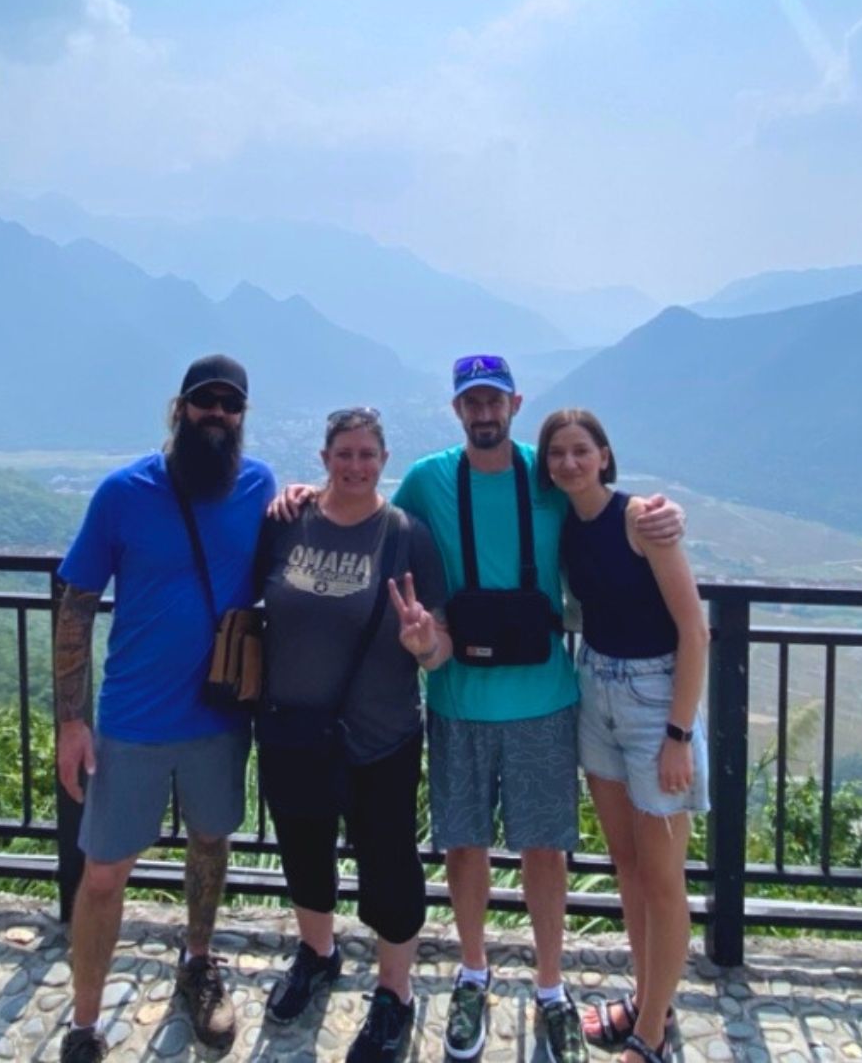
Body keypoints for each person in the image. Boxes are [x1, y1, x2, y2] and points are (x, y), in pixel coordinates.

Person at [280, 354, 685, 1063]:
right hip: (458, 695)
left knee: (544, 850)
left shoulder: (550, 472)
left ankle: (551, 985)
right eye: (473, 402)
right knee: (463, 844)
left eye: (495, 400)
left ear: (515, 403)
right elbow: (363, 500)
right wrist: (301, 493)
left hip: (545, 697)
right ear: (458, 410)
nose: (485, 413)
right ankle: (474, 969)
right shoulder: (433, 478)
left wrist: (660, 511)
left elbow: (602, 500)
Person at [53, 355, 276, 1063]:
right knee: (103, 873)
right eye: (205, 403)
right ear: (179, 409)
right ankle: (85, 1022)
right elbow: (75, 606)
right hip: (134, 718)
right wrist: (70, 720)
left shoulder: (260, 485)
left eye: (230, 406)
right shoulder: (124, 492)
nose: (217, 415)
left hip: (219, 712)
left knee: (211, 841)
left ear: (241, 416)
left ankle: (198, 962)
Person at [257, 406, 450, 1062]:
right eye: (345, 453)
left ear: (383, 461)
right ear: (324, 457)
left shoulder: (405, 537)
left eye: (368, 455)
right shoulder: (287, 522)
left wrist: (425, 645)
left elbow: (439, 644)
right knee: (304, 850)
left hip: (381, 735)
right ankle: (317, 952)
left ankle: (394, 993)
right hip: (292, 729)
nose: (356, 465)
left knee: (390, 867)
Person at [539, 409, 708, 1063]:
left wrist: (677, 734)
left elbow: (694, 631)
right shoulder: (565, 527)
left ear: (605, 456)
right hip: (597, 690)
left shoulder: (641, 519)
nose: (570, 463)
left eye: (581, 450)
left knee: (664, 878)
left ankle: (653, 1030)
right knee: (630, 868)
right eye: (558, 454)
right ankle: (647, 1000)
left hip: (656, 699)